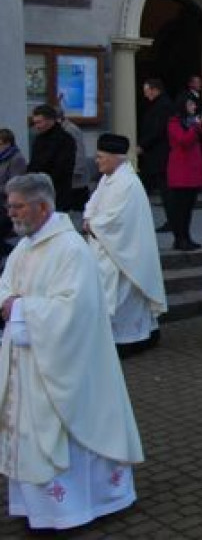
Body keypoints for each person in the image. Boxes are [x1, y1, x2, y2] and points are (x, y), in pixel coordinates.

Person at [0, 173, 144, 530]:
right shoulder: (24, 246)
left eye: (17, 206)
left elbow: (75, 310)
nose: (10, 212)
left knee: (69, 431)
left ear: (42, 206)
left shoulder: (71, 249)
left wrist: (20, 309)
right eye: (9, 205)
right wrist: (9, 302)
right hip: (29, 360)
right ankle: (39, 508)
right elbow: (5, 286)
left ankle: (77, 508)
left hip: (66, 363)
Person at [83, 134, 167, 356]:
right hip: (108, 249)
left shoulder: (128, 183)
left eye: (100, 157)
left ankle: (132, 340)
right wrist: (89, 219)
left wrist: (93, 224)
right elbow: (92, 205)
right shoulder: (107, 179)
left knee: (125, 299)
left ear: (114, 157)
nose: (97, 161)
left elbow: (117, 219)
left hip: (125, 254)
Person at [166, 96, 202, 251]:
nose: (194, 107)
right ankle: (179, 239)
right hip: (181, 171)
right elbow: (183, 140)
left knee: (188, 208)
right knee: (180, 208)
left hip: (192, 171)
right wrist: (197, 127)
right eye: (191, 104)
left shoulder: (192, 122)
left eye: (194, 104)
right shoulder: (174, 122)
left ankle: (186, 237)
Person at [137, 79, 175, 232]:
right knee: (161, 189)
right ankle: (171, 220)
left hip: (160, 154)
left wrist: (142, 145)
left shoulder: (163, 106)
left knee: (165, 190)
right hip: (155, 154)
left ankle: (173, 220)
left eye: (147, 91)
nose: (145, 95)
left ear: (155, 90)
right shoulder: (159, 105)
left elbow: (157, 130)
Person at [26, 104, 76, 212]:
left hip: (56, 191)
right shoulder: (39, 139)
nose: (37, 126)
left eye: (39, 122)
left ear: (50, 120)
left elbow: (62, 168)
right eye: (35, 123)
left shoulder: (65, 139)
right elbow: (34, 162)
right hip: (39, 190)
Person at [0, 129, 28, 260]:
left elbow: (15, 185)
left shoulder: (17, 159)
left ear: (8, 143)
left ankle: (16, 254)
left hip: (7, 206)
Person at [57, 107, 90, 211]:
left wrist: (75, 171)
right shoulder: (62, 130)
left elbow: (79, 152)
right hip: (67, 179)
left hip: (75, 180)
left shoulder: (71, 130)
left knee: (77, 209)